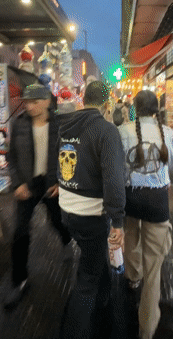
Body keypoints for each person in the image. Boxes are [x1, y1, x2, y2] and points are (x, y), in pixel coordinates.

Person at [58, 81, 126, 339]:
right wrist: (118, 220)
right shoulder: (106, 131)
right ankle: (74, 332)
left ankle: (105, 298)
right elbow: (113, 179)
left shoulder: (65, 125)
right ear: (106, 104)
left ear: (83, 99)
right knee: (86, 279)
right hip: (91, 214)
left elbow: (60, 158)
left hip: (67, 209)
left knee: (93, 258)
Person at [118, 90, 173, 339]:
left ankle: (132, 276)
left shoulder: (122, 131)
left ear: (134, 108)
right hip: (157, 202)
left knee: (132, 236)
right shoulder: (167, 133)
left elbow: (120, 167)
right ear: (157, 110)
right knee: (154, 267)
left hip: (131, 197)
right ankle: (146, 328)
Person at [5, 84, 72, 309]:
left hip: (51, 183)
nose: (29, 106)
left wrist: (63, 182)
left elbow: (69, 154)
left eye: (34, 101)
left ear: (46, 101)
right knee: (20, 231)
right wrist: (18, 183)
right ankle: (20, 281)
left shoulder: (61, 124)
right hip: (27, 185)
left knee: (57, 220)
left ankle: (66, 239)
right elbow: (12, 158)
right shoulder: (19, 123)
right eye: (27, 102)